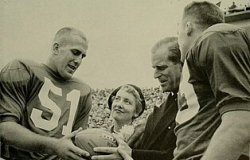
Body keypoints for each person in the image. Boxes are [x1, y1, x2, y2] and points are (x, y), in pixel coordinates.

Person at [0, 27, 92, 160]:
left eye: (82, 56)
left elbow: (79, 141)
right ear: (56, 48)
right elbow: (4, 128)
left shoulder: (84, 91)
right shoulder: (21, 69)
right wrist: (54, 146)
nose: (78, 61)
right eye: (75, 52)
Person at [176, 1, 250, 160]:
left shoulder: (215, 35)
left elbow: (240, 121)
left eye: (178, 32)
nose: (178, 41)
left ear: (187, 27)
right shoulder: (201, 51)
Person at [92, 37, 182, 160]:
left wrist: (133, 154)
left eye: (161, 67)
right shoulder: (166, 105)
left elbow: (179, 154)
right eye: (117, 99)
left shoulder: (192, 102)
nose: (155, 75)